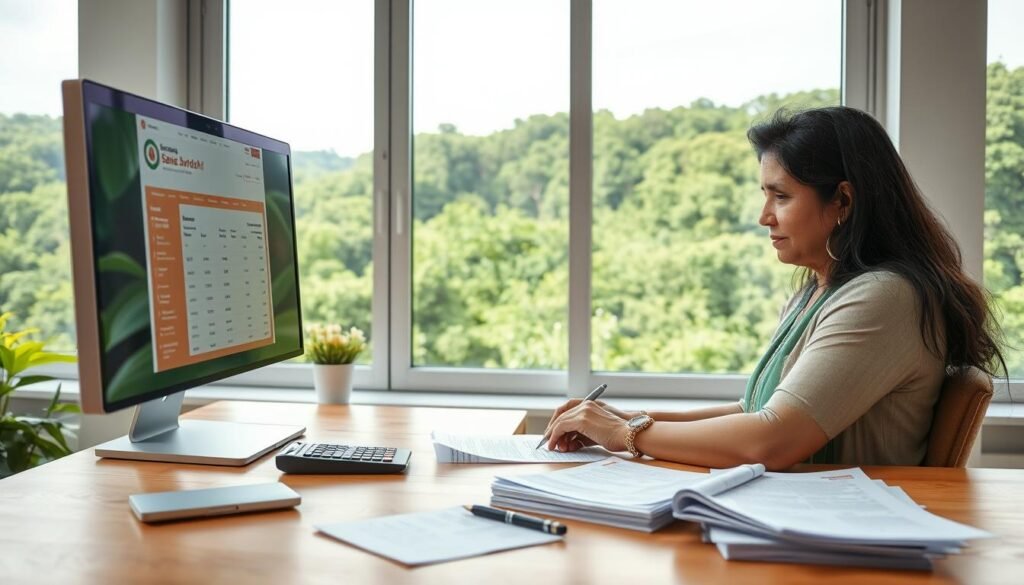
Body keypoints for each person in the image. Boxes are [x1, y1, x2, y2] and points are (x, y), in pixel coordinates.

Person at [542, 106, 1005, 469]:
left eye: (780, 196)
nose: (764, 216)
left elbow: (771, 438)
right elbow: (754, 410)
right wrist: (621, 420)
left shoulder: (884, 297)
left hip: (837, 539)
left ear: (843, 200)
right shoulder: (817, 290)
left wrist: (625, 435)